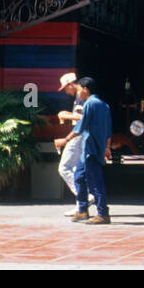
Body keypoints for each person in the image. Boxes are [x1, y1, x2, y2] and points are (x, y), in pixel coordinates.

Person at [63, 77, 113, 224]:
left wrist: (64, 140)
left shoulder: (90, 104)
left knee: (95, 181)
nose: (78, 94)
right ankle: (83, 210)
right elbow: (109, 129)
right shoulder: (104, 105)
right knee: (78, 177)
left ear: (85, 90)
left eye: (78, 90)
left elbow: (81, 126)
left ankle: (103, 213)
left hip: (90, 148)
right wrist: (107, 148)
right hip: (91, 149)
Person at [54, 72, 86, 200]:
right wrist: (68, 113)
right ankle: (81, 206)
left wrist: (66, 116)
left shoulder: (81, 97)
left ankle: (84, 197)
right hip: (80, 135)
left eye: (66, 88)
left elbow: (84, 118)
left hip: (78, 135)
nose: (66, 92)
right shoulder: (80, 97)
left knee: (64, 168)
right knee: (75, 169)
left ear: (71, 84)